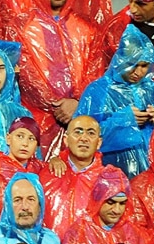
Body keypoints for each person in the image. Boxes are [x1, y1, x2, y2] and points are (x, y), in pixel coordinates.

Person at [77, 26, 154, 178]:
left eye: (144, 65)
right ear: (121, 60)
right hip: (110, 178)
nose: (139, 72)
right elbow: (81, 139)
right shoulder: (97, 91)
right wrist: (123, 120)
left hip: (153, 179)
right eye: (133, 64)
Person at [14, 0, 103, 157]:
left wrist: (77, 102)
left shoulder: (86, 28)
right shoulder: (22, 27)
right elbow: (27, 78)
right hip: (37, 122)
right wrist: (60, 106)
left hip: (81, 118)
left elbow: (95, 72)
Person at [40, 115, 108, 238]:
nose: (84, 138)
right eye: (78, 132)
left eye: (91, 133)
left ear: (99, 143)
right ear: (65, 140)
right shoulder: (47, 174)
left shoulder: (108, 181)